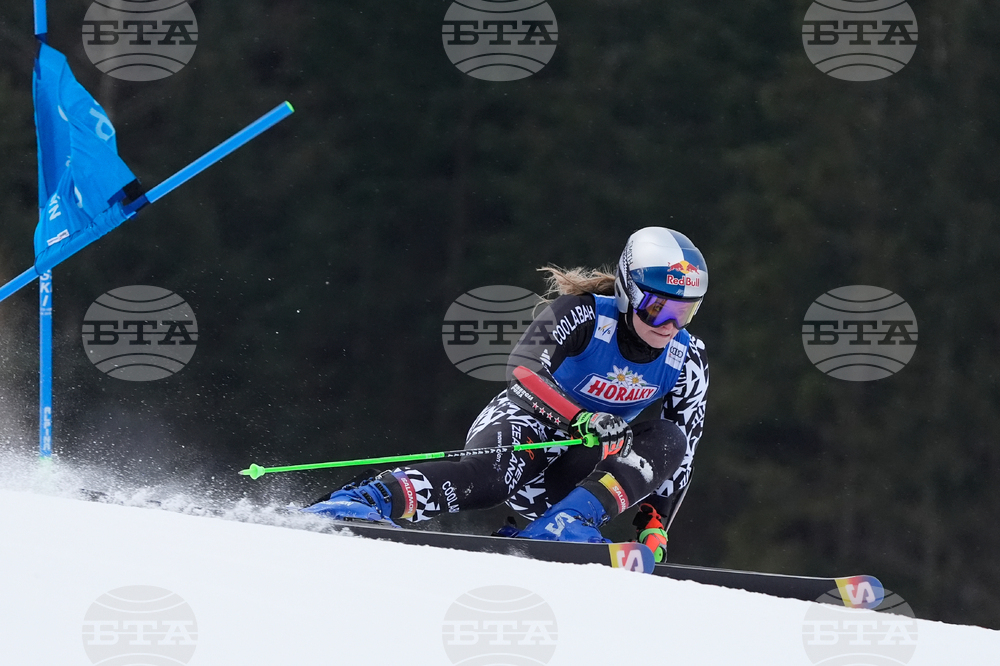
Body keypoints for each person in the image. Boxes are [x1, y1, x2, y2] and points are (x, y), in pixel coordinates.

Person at [303, 227, 709, 562]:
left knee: (670, 437)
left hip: (578, 471)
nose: (670, 325)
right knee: (489, 481)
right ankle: (369, 498)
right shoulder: (582, 313)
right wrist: (580, 417)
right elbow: (524, 370)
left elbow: (683, 449)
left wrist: (656, 524)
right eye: (658, 309)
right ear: (627, 291)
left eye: (685, 313)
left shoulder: (686, 356)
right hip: (529, 426)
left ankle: (563, 525)